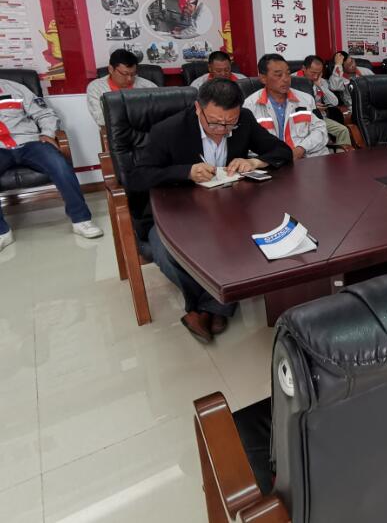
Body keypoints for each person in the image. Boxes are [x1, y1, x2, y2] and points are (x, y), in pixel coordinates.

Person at [128, 78, 293, 342]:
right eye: (215, 123)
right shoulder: (168, 130)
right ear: (198, 109)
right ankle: (214, 307)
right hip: (174, 214)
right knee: (168, 253)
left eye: (230, 123)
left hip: (228, 211)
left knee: (246, 244)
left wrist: (254, 162)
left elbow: (282, 151)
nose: (222, 130)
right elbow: (137, 177)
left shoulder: (244, 120)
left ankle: (205, 310)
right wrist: (185, 172)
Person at [0, 78, 103, 250]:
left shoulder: (16, 88)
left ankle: (81, 220)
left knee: (60, 165)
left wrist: (47, 134)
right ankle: (2, 232)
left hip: (29, 142)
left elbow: (44, 113)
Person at [244, 54, 329, 159]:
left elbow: (321, 130)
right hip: (272, 163)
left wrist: (301, 149)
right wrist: (276, 157)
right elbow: (247, 144)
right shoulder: (249, 106)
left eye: (288, 74)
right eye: (278, 75)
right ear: (263, 78)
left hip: (306, 158)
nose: (286, 79)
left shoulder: (306, 99)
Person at [86, 49, 157, 126]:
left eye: (133, 74)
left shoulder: (148, 86)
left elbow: (158, 113)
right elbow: (101, 120)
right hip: (114, 132)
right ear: (111, 69)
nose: (129, 79)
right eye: (124, 74)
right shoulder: (96, 88)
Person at [295, 55, 353, 149]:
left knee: (343, 130)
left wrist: (319, 86)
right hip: (299, 120)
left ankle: (343, 156)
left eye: (319, 73)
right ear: (304, 68)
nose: (315, 76)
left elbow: (334, 102)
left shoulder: (320, 81)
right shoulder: (292, 81)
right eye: (313, 72)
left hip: (319, 118)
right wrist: (313, 107)